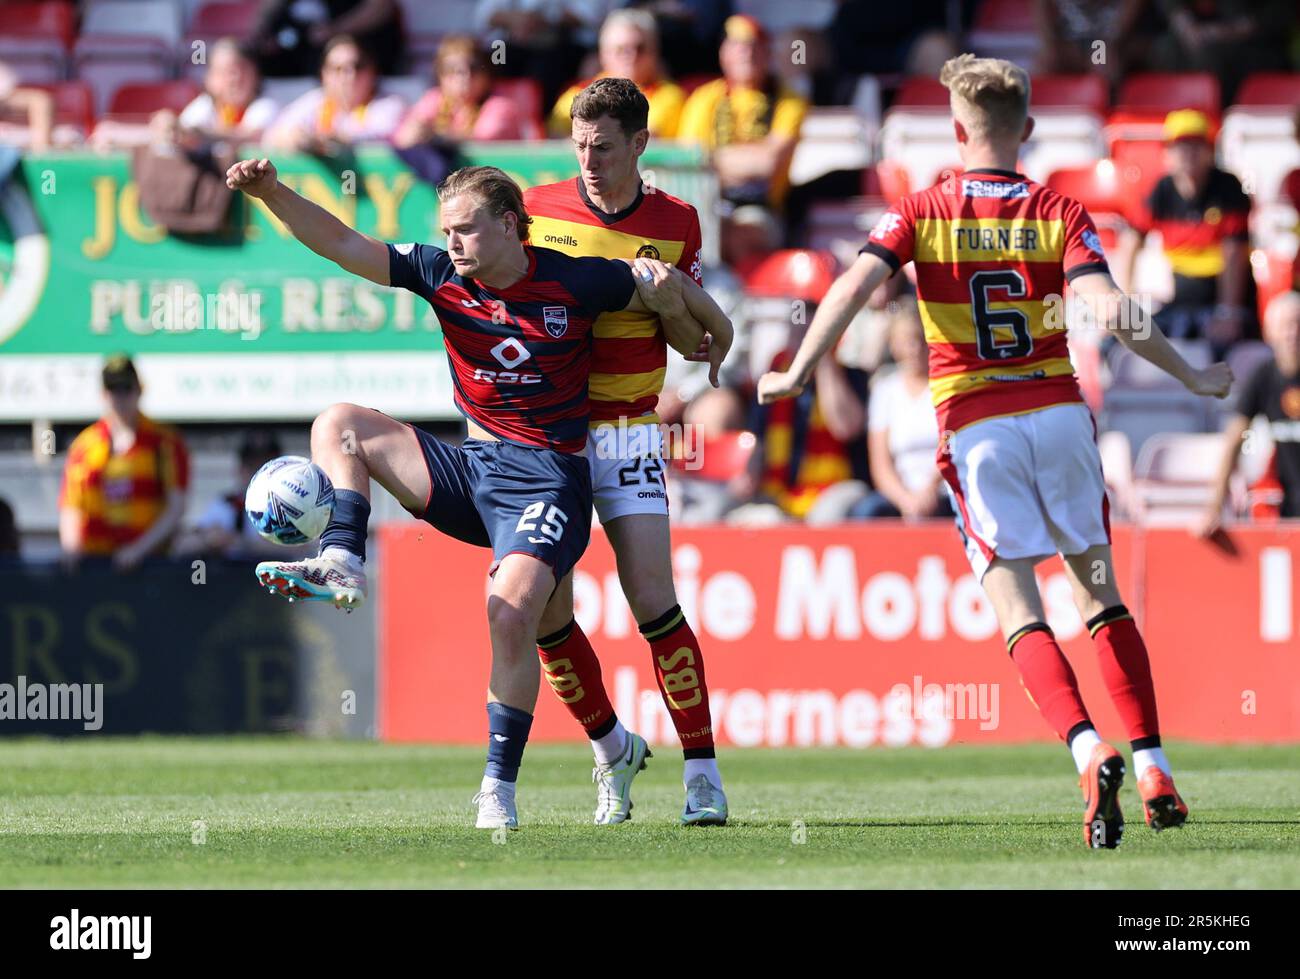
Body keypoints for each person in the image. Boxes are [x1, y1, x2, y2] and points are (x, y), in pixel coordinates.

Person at [758, 54, 1234, 849]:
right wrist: (1191, 371)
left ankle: (1089, 749)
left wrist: (799, 369)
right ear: (1030, 132)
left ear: (955, 130)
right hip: (1057, 413)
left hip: (977, 424)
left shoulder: (922, 207)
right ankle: (1154, 762)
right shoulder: (1058, 209)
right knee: (1099, 593)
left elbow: (850, 287)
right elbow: (1110, 309)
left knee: (1016, 600)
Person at [225, 158, 732, 830]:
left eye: (466, 229)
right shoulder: (440, 273)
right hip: (471, 466)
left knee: (519, 616)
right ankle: (344, 555)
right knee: (338, 424)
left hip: (550, 476)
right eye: (447, 230)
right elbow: (343, 243)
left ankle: (502, 787)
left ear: (512, 226)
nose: (453, 241)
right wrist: (270, 193)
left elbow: (686, 308)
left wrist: (711, 330)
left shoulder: (578, 278)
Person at [523, 76, 734, 824]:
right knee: (546, 614)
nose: (589, 160)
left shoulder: (676, 220)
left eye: (604, 147)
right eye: (580, 145)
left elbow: (693, 342)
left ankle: (703, 774)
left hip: (628, 433)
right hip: (548, 437)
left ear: (640, 144)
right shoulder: (536, 209)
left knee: (653, 600)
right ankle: (611, 746)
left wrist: (668, 296)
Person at [1120, 109, 1257, 359]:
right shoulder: (1161, 190)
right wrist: (1125, 305)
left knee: (1219, 350)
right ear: (1167, 153)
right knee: (1120, 343)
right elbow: (1130, 242)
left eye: (1197, 144)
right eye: (1180, 145)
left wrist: (1228, 313)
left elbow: (1234, 256)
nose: (1188, 153)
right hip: (1179, 305)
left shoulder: (1229, 190)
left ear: (1210, 150)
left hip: (1221, 304)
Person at [59, 356, 191, 571]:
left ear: (139, 390)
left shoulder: (165, 443)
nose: (120, 398)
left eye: (126, 388)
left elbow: (176, 508)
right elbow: (71, 507)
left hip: (149, 568)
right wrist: (71, 551)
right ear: (104, 394)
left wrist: (138, 551)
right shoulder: (84, 446)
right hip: (94, 568)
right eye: (113, 390)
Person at [675, 14, 807, 210]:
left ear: (768, 54)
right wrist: (746, 159)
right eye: (738, 46)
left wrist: (711, 159)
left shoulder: (789, 99)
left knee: (744, 230)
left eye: (754, 45)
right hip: (708, 203)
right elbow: (688, 161)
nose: (747, 53)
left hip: (762, 209)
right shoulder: (704, 98)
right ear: (723, 53)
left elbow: (767, 163)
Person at [1196, 290, 1300, 535]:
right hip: (1290, 505)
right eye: (1285, 325)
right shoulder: (1263, 376)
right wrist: (1215, 505)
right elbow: (1235, 438)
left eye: (1298, 324)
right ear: (1269, 331)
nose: (1292, 333)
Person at [855, 296, 953, 521]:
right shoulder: (885, 390)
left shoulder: (946, 387)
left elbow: (951, 446)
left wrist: (930, 489)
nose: (914, 348)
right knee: (866, 512)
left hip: (944, 490)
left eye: (920, 339)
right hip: (900, 494)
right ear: (894, 344)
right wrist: (905, 499)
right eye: (907, 341)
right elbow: (881, 464)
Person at [548, 9, 685, 139]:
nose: (631, 56)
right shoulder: (577, 93)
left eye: (640, 48)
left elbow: (646, 140)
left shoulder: (670, 95)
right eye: (621, 49)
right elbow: (554, 139)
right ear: (603, 54)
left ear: (654, 52)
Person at [264, 35, 406, 153]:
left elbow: (381, 136)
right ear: (324, 75)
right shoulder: (315, 101)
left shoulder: (390, 103)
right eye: (338, 69)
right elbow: (272, 135)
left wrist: (331, 141)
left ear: (373, 71)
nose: (349, 76)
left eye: (358, 66)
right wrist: (296, 138)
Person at [394, 36, 526, 147]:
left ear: (487, 74)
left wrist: (434, 136)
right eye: (452, 69)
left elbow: (483, 141)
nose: (464, 76)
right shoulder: (434, 99)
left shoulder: (501, 105)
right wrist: (415, 132)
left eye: (473, 68)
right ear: (440, 76)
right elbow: (403, 137)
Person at [187, 431, 296, 559]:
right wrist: (208, 539)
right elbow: (185, 544)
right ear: (240, 469)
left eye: (267, 468)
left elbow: (303, 548)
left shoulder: (295, 506)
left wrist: (242, 543)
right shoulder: (225, 504)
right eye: (252, 466)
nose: (259, 474)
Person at [174, 39, 280, 143]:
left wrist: (200, 134)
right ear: (209, 79)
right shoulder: (204, 105)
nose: (235, 79)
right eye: (225, 71)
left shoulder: (267, 104)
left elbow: (253, 136)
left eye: (242, 70)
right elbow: (184, 132)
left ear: (256, 76)